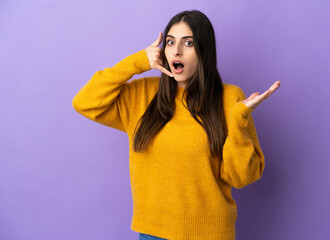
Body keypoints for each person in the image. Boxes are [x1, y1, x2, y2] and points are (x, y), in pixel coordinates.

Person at [72, 9, 280, 240]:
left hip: (211, 234)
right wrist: (137, 62)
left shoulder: (230, 98)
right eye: (170, 42)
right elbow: (84, 102)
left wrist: (238, 122)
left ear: (204, 51)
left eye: (188, 43)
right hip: (153, 233)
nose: (176, 50)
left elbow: (243, 177)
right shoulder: (142, 95)